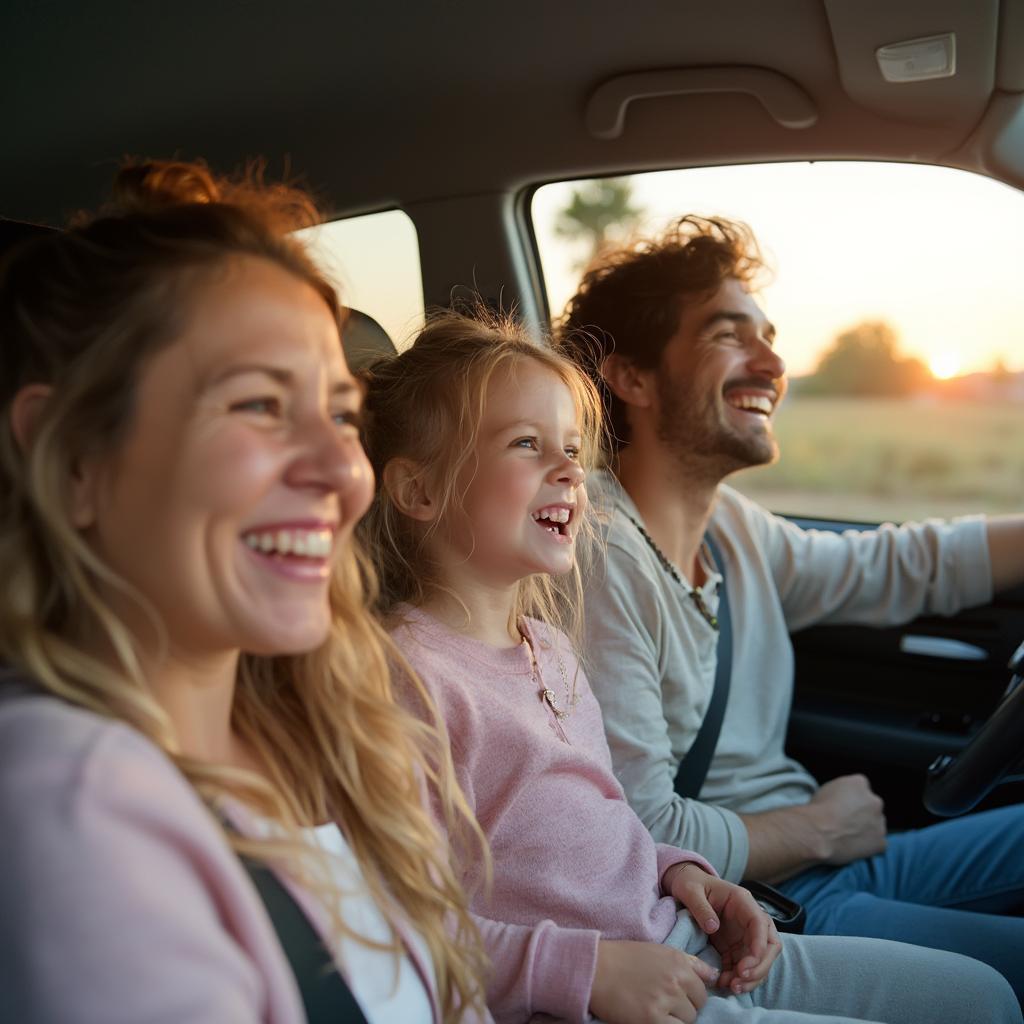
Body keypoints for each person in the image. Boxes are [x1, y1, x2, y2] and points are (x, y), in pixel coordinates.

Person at [357, 305, 1020, 1024]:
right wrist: (587, 971)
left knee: (984, 996)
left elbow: (599, 828)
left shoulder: (544, 645)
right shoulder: (406, 681)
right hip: (601, 991)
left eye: (574, 450)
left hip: (680, 930)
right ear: (419, 491)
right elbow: (392, 924)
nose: (570, 472)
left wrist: (681, 872)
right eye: (526, 444)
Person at [0, 160, 489, 1024]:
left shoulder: (326, 736)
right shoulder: (66, 802)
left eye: (342, 414)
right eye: (260, 404)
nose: (344, 469)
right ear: (75, 456)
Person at [554, 214, 1024, 1000]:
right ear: (632, 377)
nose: (772, 362)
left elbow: (902, 565)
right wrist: (815, 827)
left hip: (839, 855)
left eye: (768, 336)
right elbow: (636, 827)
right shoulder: (596, 554)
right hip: (759, 908)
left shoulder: (735, 529)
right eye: (729, 335)